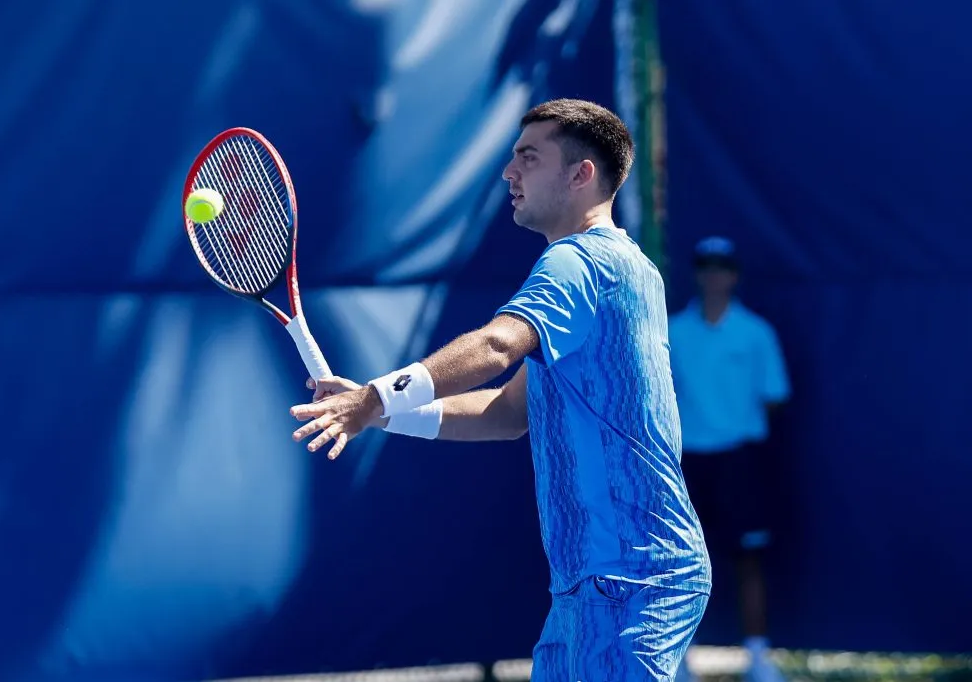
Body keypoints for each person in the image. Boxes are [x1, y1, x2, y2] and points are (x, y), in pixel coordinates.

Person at [290, 98, 711, 680]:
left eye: (528, 158)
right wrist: (380, 415)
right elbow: (509, 409)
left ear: (580, 174)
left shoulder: (579, 263)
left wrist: (373, 398)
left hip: (626, 576)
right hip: (595, 582)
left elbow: (495, 346)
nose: (509, 172)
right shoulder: (625, 267)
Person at [667, 237, 791, 682]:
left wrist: (731, 423)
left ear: (734, 275)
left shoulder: (756, 333)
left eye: (721, 267)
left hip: (741, 463)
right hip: (688, 464)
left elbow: (774, 396)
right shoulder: (673, 332)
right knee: (680, 562)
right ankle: (678, 662)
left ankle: (758, 659)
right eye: (705, 266)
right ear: (696, 273)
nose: (713, 275)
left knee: (748, 561)